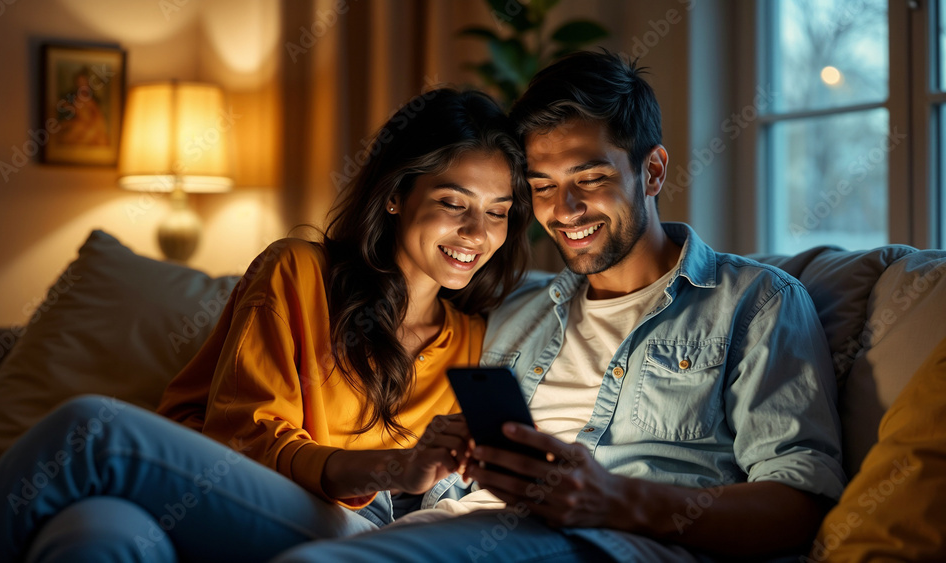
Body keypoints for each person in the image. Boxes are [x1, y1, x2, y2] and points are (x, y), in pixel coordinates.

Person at [277, 51, 846, 563]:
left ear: (652, 171)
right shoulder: (512, 309)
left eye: (590, 178)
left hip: (610, 541)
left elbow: (798, 505)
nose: (564, 210)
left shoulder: (755, 302)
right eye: (542, 186)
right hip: (449, 526)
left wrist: (612, 499)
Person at [0, 87, 531, 562]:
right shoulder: (299, 271)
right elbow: (246, 438)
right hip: (221, 490)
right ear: (396, 195)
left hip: (354, 535)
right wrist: (395, 465)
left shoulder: (478, 339)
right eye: (455, 204)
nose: (478, 233)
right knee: (96, 536)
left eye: (498, 213)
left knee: (91, 427)